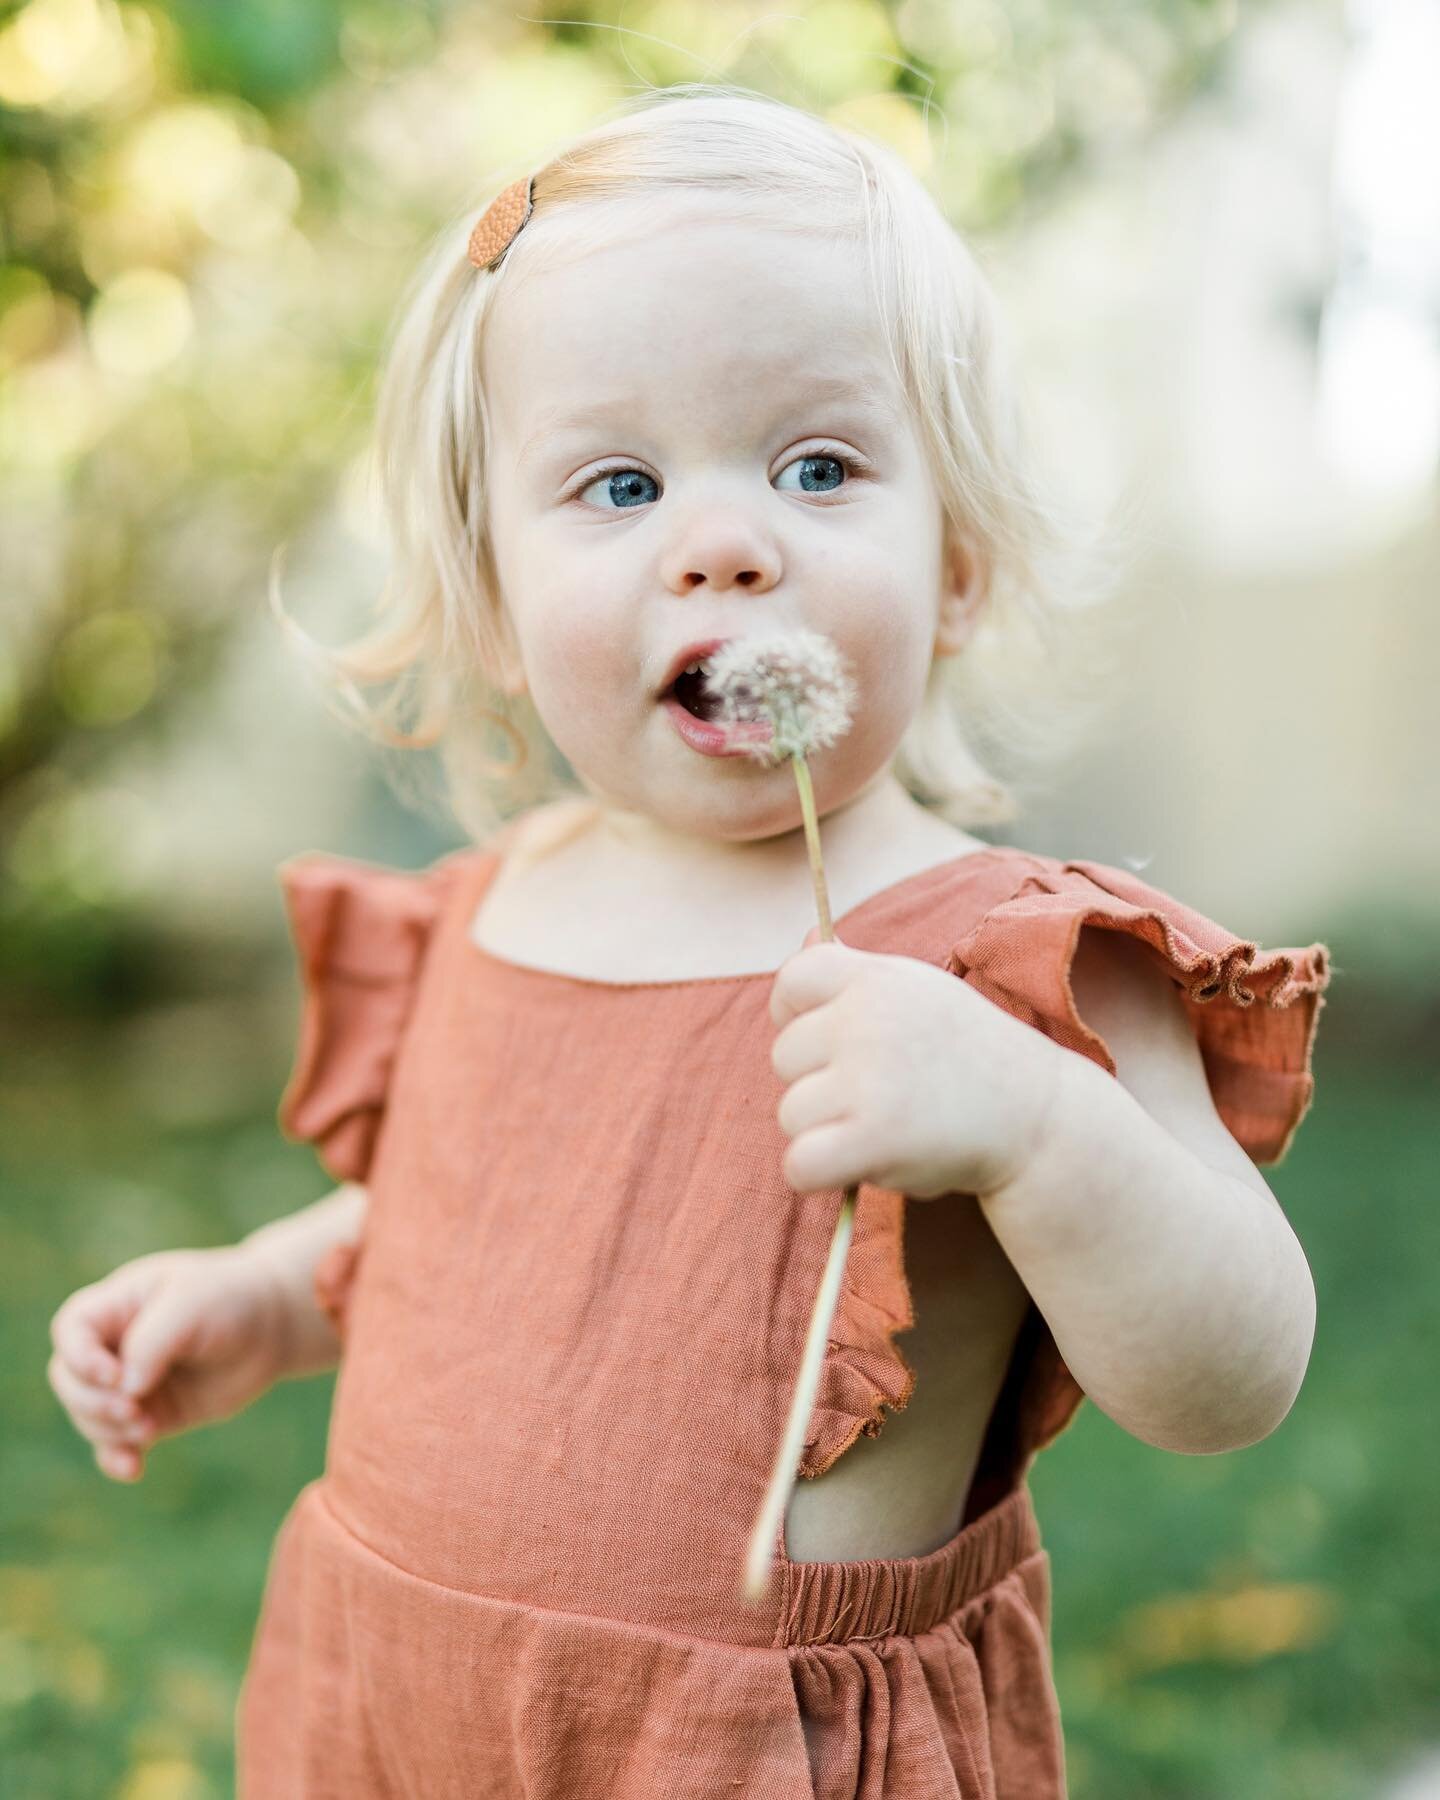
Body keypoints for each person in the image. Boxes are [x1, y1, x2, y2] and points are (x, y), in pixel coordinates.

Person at [46, 87, 1333, 1798]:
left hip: (749, 1752)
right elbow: (475, 1221)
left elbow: (1235, 1373)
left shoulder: (1016, 962)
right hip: (400, 1705)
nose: (724, 545)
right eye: (620, 482)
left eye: (818, 465)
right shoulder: (497, 906)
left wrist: (1034, 1132)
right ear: (495, 603)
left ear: (954, 560)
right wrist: (270, 1300)